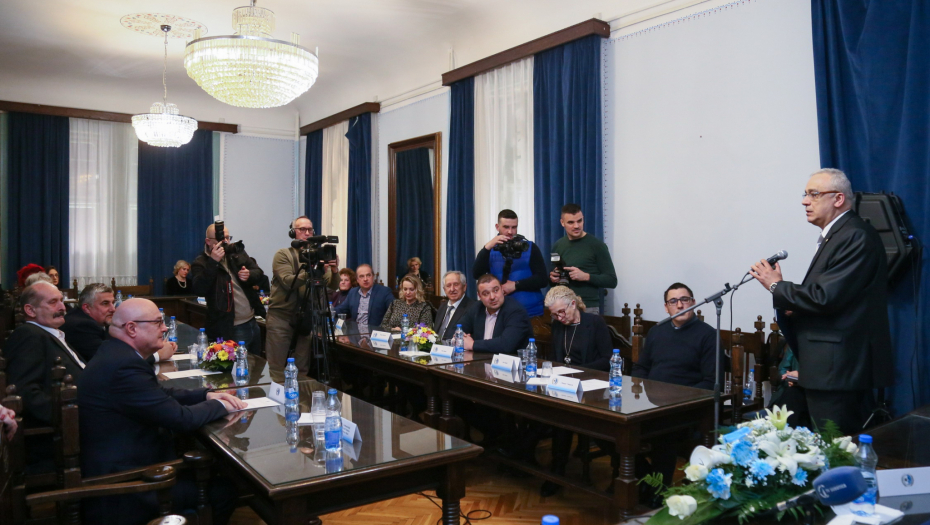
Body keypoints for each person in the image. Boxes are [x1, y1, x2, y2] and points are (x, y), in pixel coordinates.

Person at [750, 168, 893, 435]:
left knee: (836, 447)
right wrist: (792, 306)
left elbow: (825, 297)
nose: (805, 201)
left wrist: (776, 285)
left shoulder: (855, 235)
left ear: (838, 199)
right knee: (825, 445)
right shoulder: (838, 234)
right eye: (805, 194)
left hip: (839, 369)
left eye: (814, 194)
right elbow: (831, 297)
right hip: (828, 368)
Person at [77, 298, 245, 525]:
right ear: (132, 328)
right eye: (158, 322)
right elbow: (182, 419)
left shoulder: (116, 354)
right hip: (127, 486)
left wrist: (206, 395)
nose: (165, 328)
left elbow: (160, 393)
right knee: (224, 490)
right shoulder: (123, 366)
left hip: (132, 465)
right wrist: (222, 405)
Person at [539, 286, 614, 496]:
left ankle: (558, 468)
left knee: (566, 413)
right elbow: (556, 358)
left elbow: (607, 359)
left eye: (562, 312)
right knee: (555, 412)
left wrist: (579, 371)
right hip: (566, 385)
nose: (559, 317)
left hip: (593, 386)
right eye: (554, 314)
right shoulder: (558, 325)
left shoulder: (594, 323)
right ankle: (557, 468)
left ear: (573, 303)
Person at [4, 282, 85, 472]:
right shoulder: (29, 335)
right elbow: (25, 392)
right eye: (53, 302)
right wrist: (72, 417)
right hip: (59, 438)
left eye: (62, 301)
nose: (62, 307)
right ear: (30, 310)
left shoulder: (51, 333)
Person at [265, 216, 336, 374]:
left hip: (305, 319)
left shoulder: (318, 257)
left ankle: (301, 391)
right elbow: (288, 282)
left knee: (301, 369)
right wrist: (311, 271)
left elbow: (332, 285)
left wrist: (334, 270)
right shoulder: (283, 254)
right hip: (282, 319)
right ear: (293, 232)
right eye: (302, 229)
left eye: (310, 229)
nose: (307, 233)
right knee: (277, 368)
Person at [190, 223, 266, 354]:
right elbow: (199, 288)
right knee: (239, 364)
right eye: (221, 238)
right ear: (208, 241)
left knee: (256, 363)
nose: (225, 242)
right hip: (230, 327)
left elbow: (258, 272)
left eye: (227, 238)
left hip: (252, 321)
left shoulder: (236, 253)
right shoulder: (201, 262)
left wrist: (249, 274)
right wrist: (213, 262)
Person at [631, 283, 719, 390]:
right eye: (673, 301)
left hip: (688, 398)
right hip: (654, 396)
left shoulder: (709, 335)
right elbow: (641, 368)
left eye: (685, 300)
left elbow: (711, 382)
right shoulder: (656, 331)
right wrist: (645, 391)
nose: (679, 306)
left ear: (693, 303)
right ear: (666, 307)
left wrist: (682, 396)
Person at [61, 283, 177, 363]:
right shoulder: (80, 325)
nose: (113, 309)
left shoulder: (97, 322)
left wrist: (151, 347)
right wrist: (158, 355)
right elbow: (111, 360)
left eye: (113, 303)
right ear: (87, 308)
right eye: (105, 303)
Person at [473, 209, 548, 316]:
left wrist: (516, 285)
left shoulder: (529, 247)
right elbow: (476, 274)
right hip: (500, 312)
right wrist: (487, 248)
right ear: (497, 227)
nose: (510, 232)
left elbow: (542, 279)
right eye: (506, 227)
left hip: (531, 311)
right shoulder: (490, 249)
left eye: (514, 227)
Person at [548, 203, 617, 314]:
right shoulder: (557, 245)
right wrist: (553, 278)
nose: (576, 226)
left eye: (579, 221)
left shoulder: (597, 245)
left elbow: (612, 281)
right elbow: (553, 277)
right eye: (571, 222)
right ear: (562, 223)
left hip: (587, 307)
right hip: (562, 306)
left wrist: (585, 276)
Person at [458, 274, 532, 354]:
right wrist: (460, 337)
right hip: (482, 359)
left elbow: (506, 345)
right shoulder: (477, 308)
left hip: (511, 360)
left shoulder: (516, 311)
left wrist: (472, 344)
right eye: (486, 293)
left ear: (502, 289)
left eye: (496, 290)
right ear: (479, 296)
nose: (492, 297)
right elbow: (458, 329)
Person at [335, 264, 394, 333]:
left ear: (373, 277)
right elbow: (341, 309)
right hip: (355, 335)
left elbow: (395, 310)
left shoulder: (384, 292)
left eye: (368, 275)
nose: (365, 279)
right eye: (361, 276)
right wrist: (328, 312)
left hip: (375, 334)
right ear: (357, 279)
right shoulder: (353, 292)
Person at [434, 271, 477, 340]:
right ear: (444, 290)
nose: (452, 289)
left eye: (456, 284)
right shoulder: (442, 306)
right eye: (448, 285)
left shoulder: (473, 307)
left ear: (464, 287)